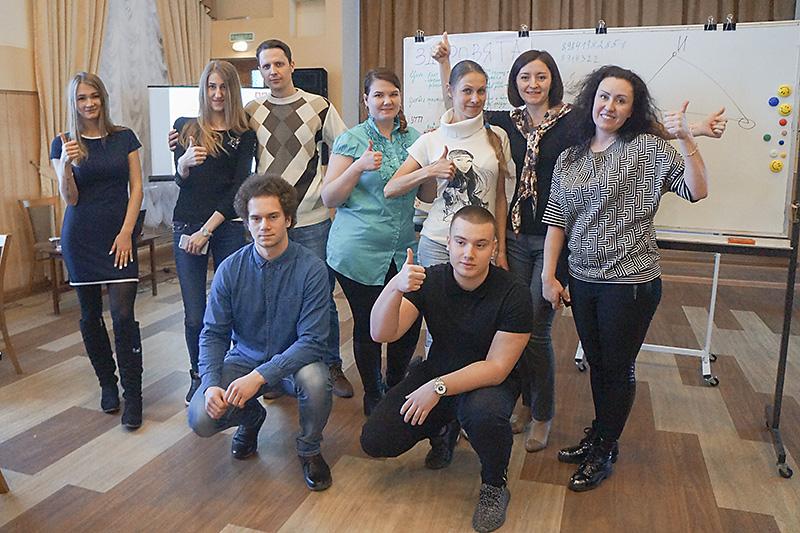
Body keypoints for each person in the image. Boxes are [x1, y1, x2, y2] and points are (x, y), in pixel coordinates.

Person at [431, 33, 727, 453]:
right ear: (514, 82)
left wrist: (690, 133)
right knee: (516, 327)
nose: (533, 84)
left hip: (590, 257)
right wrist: (445, 66)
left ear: (553, 80)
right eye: (524, 77)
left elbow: (647, 140)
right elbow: (461, 108)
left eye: (541, 76)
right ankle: (534, 409)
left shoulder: (584, 124)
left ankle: (552, 418)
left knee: (546, 336)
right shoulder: (513, 125)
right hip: (526, 241)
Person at [541, 65, 709, 492]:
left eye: (621, 100)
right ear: (590, 100)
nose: (609, 106)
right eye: (604, 96)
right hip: (582, 279)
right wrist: (548, 274)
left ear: (633, 110)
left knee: (616, 367)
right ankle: (601, 433)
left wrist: (687, 139)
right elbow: (557, 220)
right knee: (598, 364)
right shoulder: (571, 156)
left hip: (630, 283)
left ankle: (604, 449)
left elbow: (696, 191)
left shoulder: (648, 150)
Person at [170, 39, 353, 398]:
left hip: (311, 218)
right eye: (266, 66)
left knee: (322, 298)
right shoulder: (250, 113)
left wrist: (331, 186)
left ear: (292, 65)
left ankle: (331, 365)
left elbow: (346, 145)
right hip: (268, 222)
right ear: (260, 71)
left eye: (279, 64)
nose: (273, 71)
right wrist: (178, 143)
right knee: (270, 298)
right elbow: (217, 134)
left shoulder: (319, 106)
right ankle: (273, 371)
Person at [362, 206, 532, 533]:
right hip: (439, 370)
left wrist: (437, 387)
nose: (469, 253)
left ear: (494, 247)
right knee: (376, 440)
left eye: (480, 245)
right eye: (461, 242)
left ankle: (494, 485)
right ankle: (443, 429)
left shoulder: (514, 293)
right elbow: (382, 333)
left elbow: (496, 368)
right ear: (449, 243)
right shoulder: (431, 280)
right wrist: (395, 287)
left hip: (488, 383)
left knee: (482, 414)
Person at [187, 173, 334, 491]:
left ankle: (309, 448)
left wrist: (260, 376)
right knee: (200, 417)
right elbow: (213, 334)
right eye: (256, 218)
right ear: (246, 221)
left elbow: (313, 342)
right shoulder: (230, 269)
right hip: (245, 359)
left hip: (295, 364)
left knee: (317, 380)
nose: (264, 226)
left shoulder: (312, 269)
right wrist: (210, 384)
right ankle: (251, 417)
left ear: (289, 220)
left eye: (273, 217)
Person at [321, 68, 422, 416]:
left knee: (407, 323)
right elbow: (330, 197)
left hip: (403, 249)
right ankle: (373, 395)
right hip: (357, 252)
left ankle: (395, 387)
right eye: (378, 95)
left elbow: (426, 194)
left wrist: (432, 169)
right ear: (366, 100)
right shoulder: (351, 140)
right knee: (368, 325)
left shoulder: (414, 139)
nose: (386, 101)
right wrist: (357, 167)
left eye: (393, 94)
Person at [50, 72, 145, 429]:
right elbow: (70, 199)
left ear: (103, 98)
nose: (89, 103)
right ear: (73, 104)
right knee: (90, 316)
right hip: (81, 238)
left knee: (123, 316)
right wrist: (66, 165)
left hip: (120, 235)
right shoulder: (62, 143)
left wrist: (127, 232)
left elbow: (137, 188)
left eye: (94, 96)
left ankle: (133, 395)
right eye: (81, 98)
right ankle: (107, 383)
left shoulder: (124, 138)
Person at [172, 60, 256, 405]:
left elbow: (238, 188)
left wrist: (207, 231)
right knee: (195, 312)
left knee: (231, 306)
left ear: (232, 90)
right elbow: (181, 181)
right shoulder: (184, 127)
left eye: (223, 87)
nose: (217, 93)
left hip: (226, 227)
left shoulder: (244, 134)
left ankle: (232, 372)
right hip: (186, 225)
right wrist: (182, 164)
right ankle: (199, 374)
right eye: (211, 86)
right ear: (203, 89)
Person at [385, 60, 514, 271]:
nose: (475, 98)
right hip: (437, 243)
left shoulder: (498, 136)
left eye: (481, 91)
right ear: (450, 91)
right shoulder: (431, 139)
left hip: (481, 246)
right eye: (467, 91)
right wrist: (429, 171)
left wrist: (500, 250)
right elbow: (390, 189)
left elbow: (500, 198)